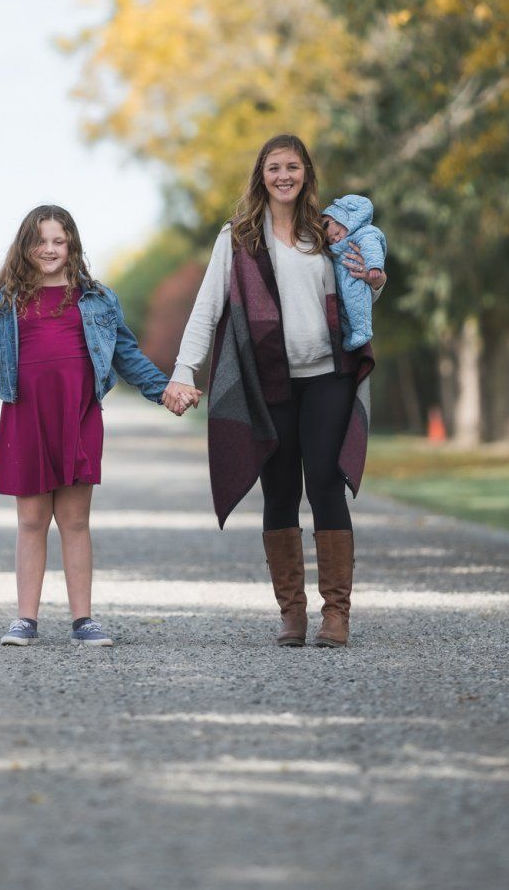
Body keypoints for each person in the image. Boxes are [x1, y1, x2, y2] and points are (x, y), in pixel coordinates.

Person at [0, 204, 184, 648]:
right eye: (40, 241)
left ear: (71, 243)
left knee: (75, 521)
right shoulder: (8, 303)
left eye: (58, 240)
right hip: (27, 417)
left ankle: (83, 620)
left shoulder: (96, 299)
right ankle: (25, 620)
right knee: (31, 520)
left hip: (78, 415)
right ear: (25, 247)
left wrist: (164, 390)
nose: (49, 249)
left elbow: (125, 355)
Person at [163, 135, 387, 648]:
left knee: (326, 482)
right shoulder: (238, 238)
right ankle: (292, 613)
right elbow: (208, 308)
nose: (283, 176)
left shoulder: (327, 234)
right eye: (273, 168)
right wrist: (183, 370)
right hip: (270, 379)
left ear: (306, 172)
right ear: (261, 176)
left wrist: (374, 282)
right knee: (280, 489)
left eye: (292, 167)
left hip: (329, 373)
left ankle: (337, 615)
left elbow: (363, 289)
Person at [320, 195, 387, 352]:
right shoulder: (333, 247)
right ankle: (351, 335)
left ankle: (362, 332)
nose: (336, 239)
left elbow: (371, 247)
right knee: (346, 312)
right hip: (341, 289)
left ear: (344, 221)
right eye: (331, 240)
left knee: (355, 301)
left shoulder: (362, 233)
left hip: (355, 279)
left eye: (337, 232)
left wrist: (374, 267)